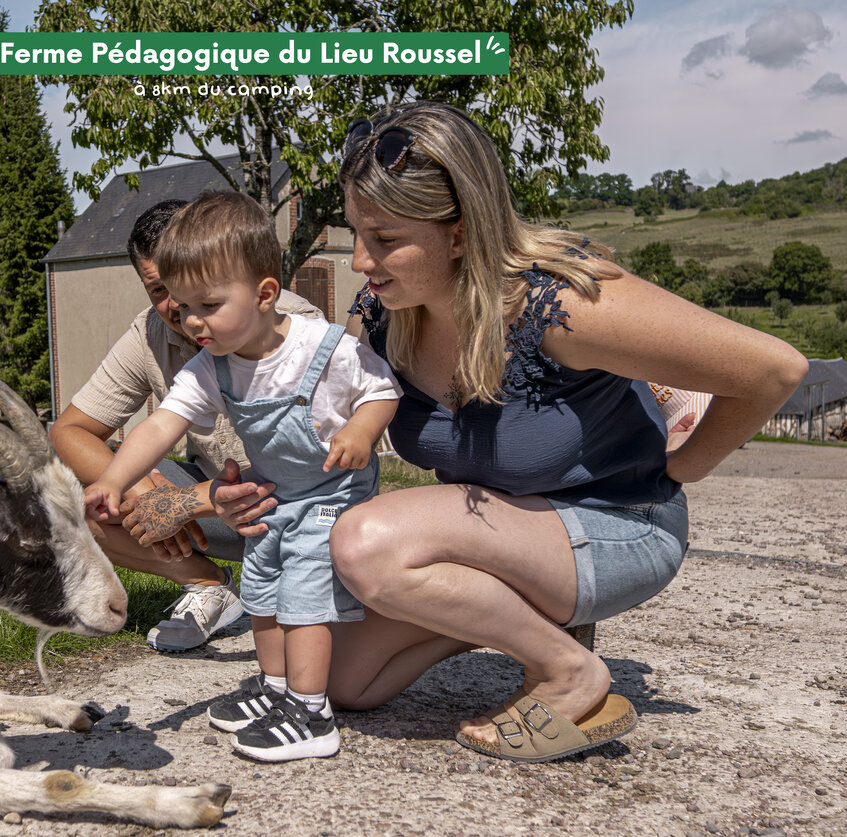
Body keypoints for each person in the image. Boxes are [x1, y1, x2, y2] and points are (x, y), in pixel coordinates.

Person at [213, 102, 807, 763]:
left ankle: (569, 670)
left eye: (383, 238)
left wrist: (686, 466)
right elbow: (327, 427)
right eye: (355, 231)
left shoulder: (560, 303)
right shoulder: (386, 316)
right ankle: (533, 619)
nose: (359, 261)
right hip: (506, 535)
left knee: (365, 542)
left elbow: (773, 369)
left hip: (621, 523)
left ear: (461, 234)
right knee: (343, 678)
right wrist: (259, 490)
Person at [84, 190, 401, 762]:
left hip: (330, 494)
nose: (191, 321)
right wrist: (113, 479)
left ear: (264, 293)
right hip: (275, 496)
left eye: (206, 304)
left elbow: (380, 389)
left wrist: (360, 430)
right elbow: (159, 426)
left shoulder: (320, 346)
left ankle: (311, 712)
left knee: (303, 594)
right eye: (181, 306)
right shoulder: (212, 363)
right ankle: (276, 688)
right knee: (262, 589)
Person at [48, 200, 324, 652]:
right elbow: (69, 432)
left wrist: (183, 501)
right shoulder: (156, 336)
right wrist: (142, 492)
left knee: (340, 679)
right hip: (221, 508)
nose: (180, 308)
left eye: (198, 290)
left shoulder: (296, 332)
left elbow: (309, 464)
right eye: (160, 289)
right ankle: (209, 585)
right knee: (77, 499)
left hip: (300, 514)